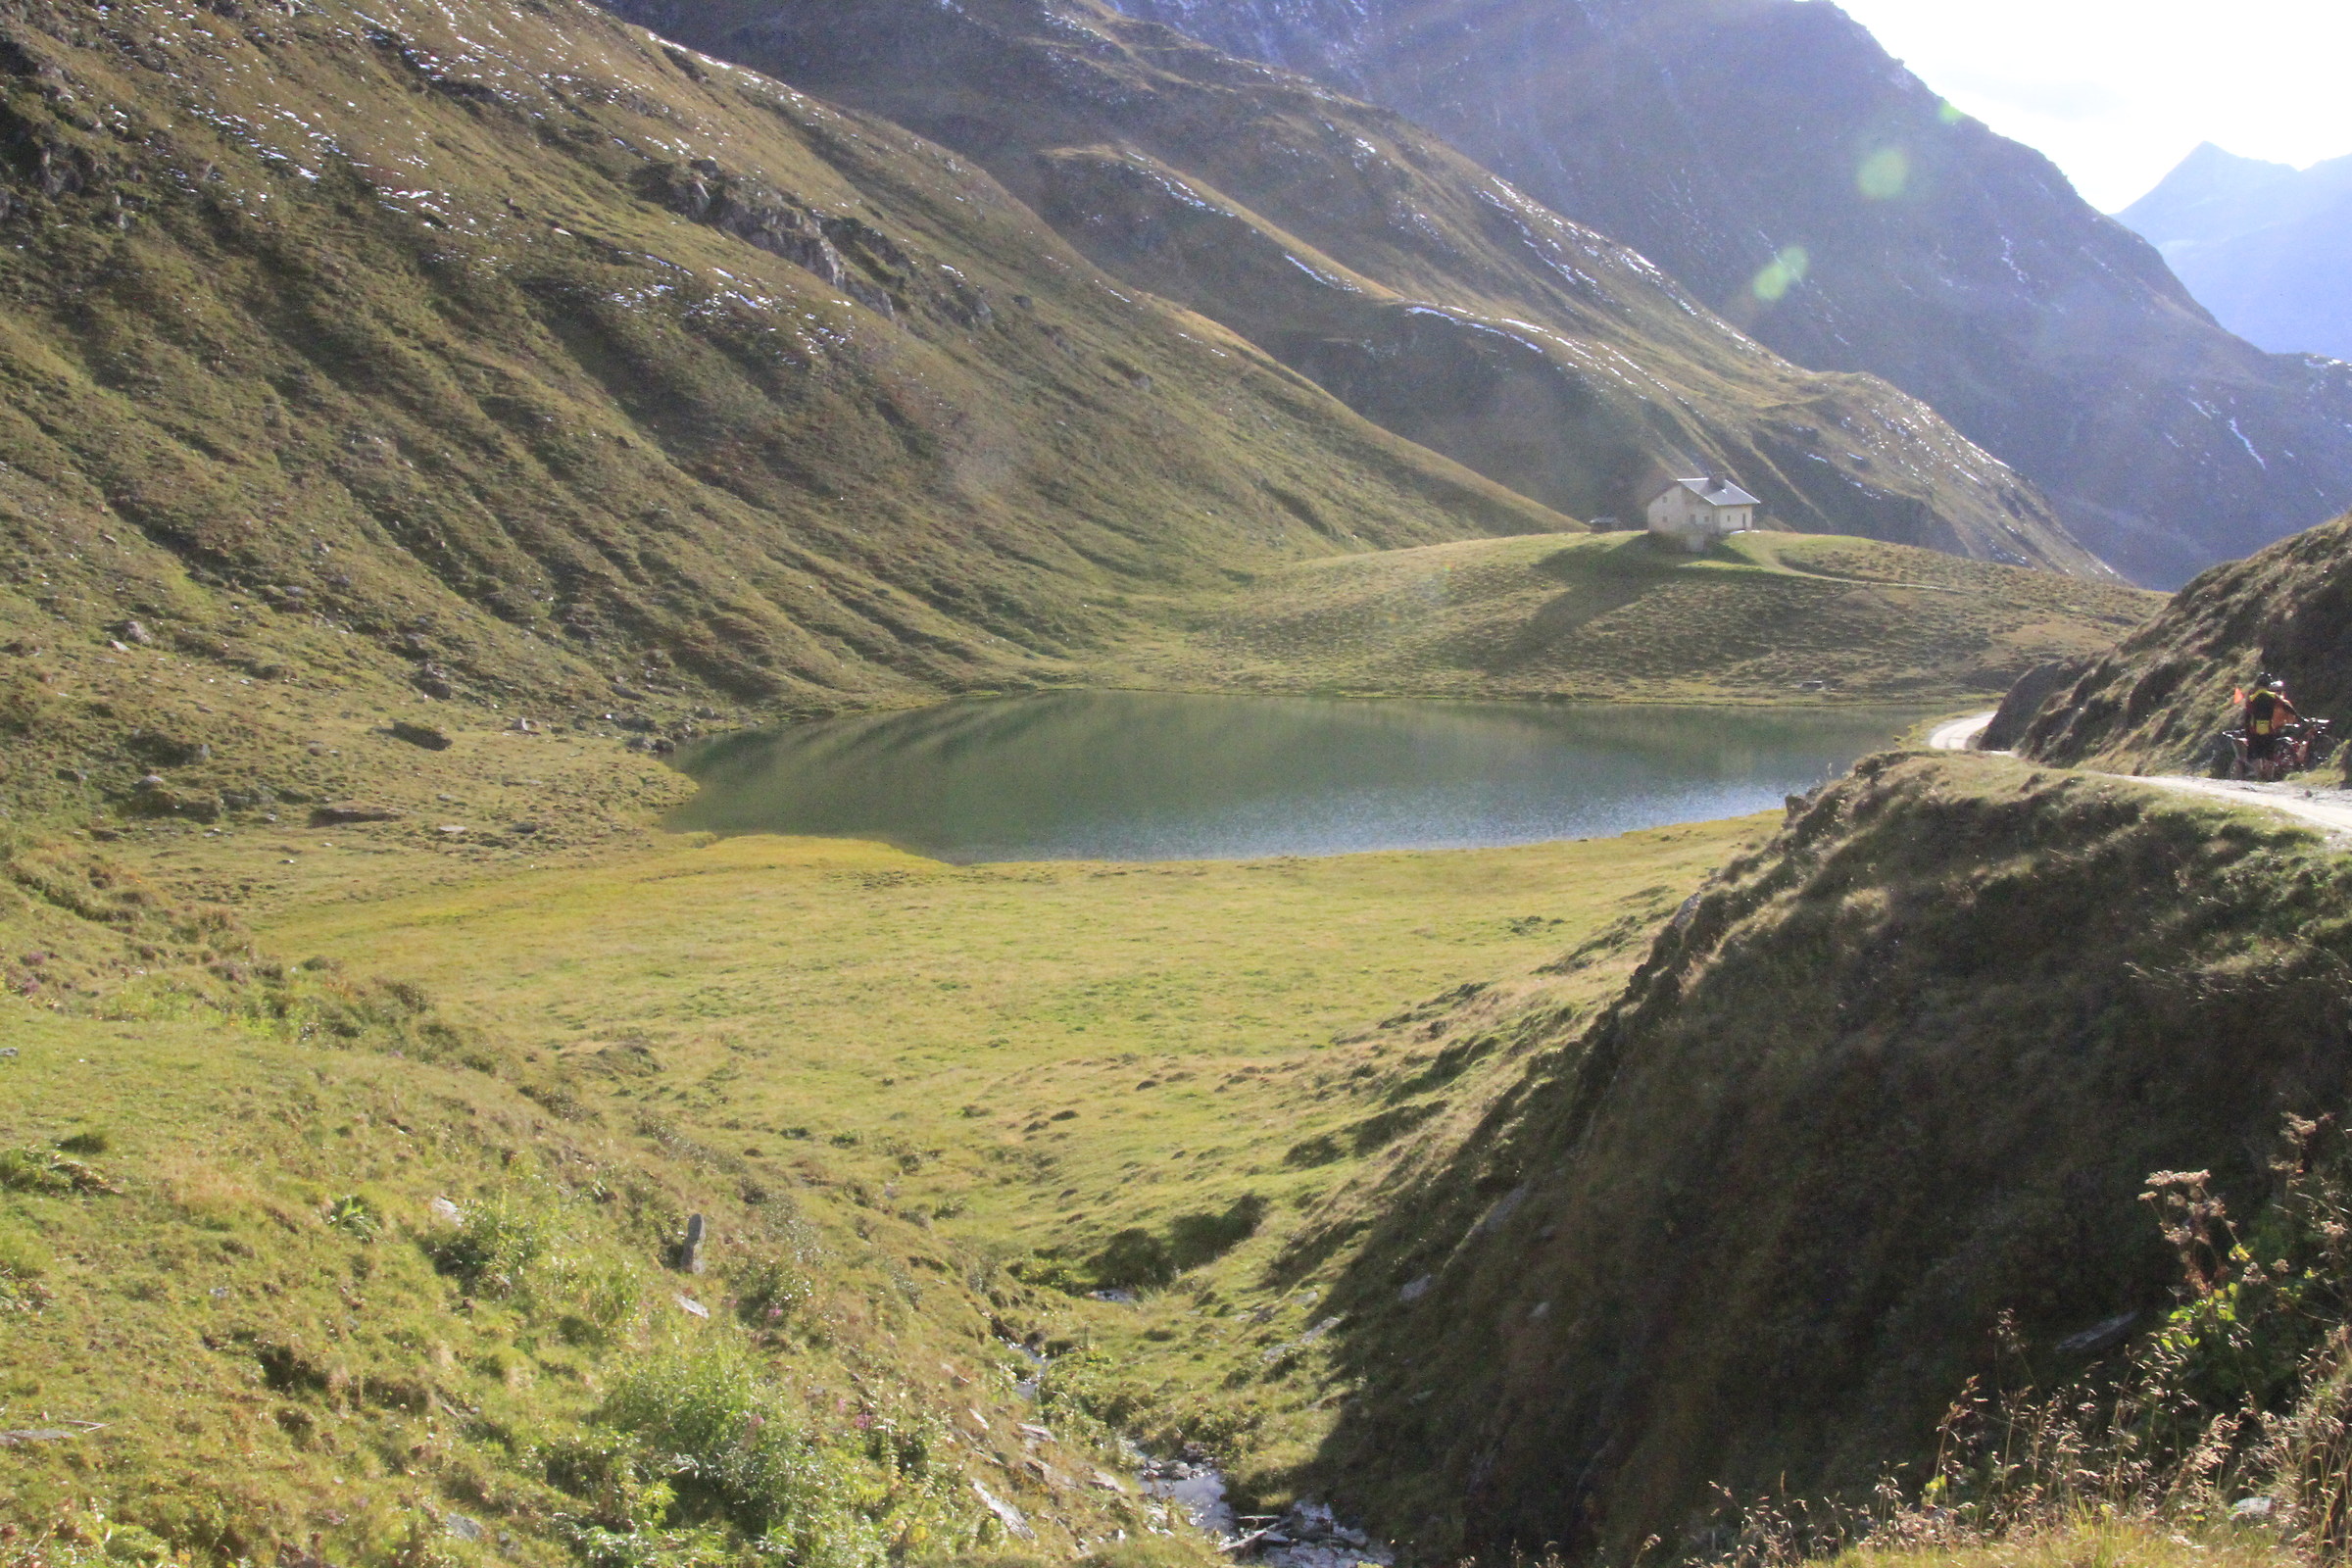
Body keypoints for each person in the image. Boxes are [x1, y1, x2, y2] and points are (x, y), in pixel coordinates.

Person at [2244, 673, 2301, 769]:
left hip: (2255, 730)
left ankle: (2259, 776)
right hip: (2269, 729)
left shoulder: (2251, 699)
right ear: (2268, 685)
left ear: (2257, 685)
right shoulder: (2273, 696)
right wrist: (2298, 716)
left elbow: (2247, 716)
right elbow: (2285, 706)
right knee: (2269, 755)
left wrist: (2247, 731)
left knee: (2256, 755)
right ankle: (2268, 778)